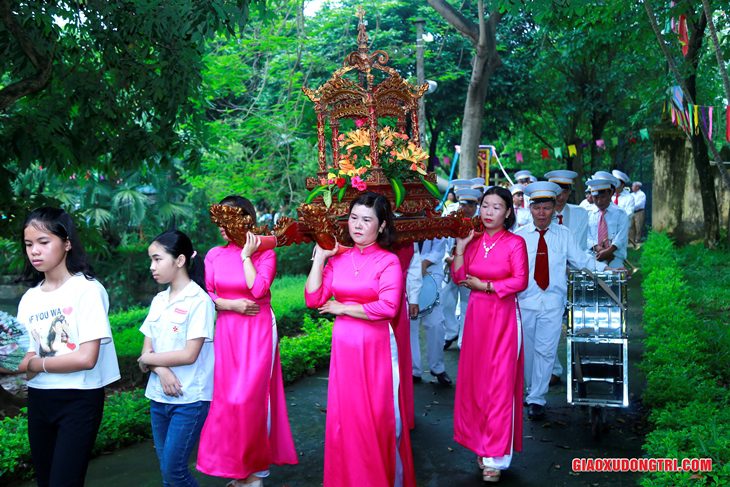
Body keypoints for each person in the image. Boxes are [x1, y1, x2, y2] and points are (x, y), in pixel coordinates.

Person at [305, 192, 416, 487]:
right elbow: (313, 298)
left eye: (366, 220)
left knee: (375, 418)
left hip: (376, 348)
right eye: (354, 218)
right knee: (347, 418)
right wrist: (321, 258)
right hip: (344, 350)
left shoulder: (388, 261)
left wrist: (343, 308)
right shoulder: (340, 259)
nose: (357, 225)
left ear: (382, 226)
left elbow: (388, 307)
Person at [197, 195, 297, 487]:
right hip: (228, 330)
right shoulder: (214, 255)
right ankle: (237, 469)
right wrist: (230, 305)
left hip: (258, 329)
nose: (223, 227)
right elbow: (208, 294)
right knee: (228, 400)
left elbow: (258, 289)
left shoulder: (265, 252)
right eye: (219, 221)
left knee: (250, 398)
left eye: (229, 220)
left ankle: (256, 472)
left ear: (245, 220)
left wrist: (245, 256)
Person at [17, 207, 120, 487]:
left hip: (79, 399)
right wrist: (15, 361)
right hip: (39, 398)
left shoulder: (87, 290)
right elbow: (25, 357)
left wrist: (37, 364)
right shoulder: (29, 298)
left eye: (43, 242)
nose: (34, 251)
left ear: (67, 243)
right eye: (28, 244)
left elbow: (86, 358)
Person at [452, 187, 528, 483]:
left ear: (508, 212)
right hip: (476, 319)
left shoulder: (515, 243)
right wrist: (461, 247)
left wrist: (486, 286)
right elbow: (459, 277)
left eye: (497, 207)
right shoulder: (474, 241)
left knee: (499, 385)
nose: (488, 211)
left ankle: (496, 456)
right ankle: (480, 443)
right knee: (477, 383)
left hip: (504, 318)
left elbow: (520, 280)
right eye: (485, 205)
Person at [514, 183, 606, 421]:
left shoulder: (564, 235)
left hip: (553, 303)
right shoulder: (519, 236)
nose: (542, 213)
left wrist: (606, 270)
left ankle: (537, 398)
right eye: (537, 208)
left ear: (554, 209)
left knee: (546, 351)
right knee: (527, 351)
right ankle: (530, 389)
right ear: (530, 208)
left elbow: (581, 261)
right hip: (525, 302)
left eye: (547, 208)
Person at [137, 230, 216, 487]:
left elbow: (189, 354)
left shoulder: (200, 301)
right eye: (151, 260)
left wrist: (152, 361)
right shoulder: (159, 300)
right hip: (158, 397)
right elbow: (145, 353)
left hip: (189, 399)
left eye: (157, 259)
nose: (152, 266)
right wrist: (161, 370)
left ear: (180, 260)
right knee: (167, 474)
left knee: (174, 472)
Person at [442, 186, 483, 350]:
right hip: (449, 266)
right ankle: (452, 331)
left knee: (466, 306)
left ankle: (463, 341)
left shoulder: (480, 225)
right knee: (444, 301)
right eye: (463, 204)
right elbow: (442, 244)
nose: (465, 208)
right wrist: (447, 258)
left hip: (469, 271)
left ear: (475, 206)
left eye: (470, 205)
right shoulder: (450, 221)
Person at [409, 238, 452, 385]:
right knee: (410, 326)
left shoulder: (435, 221)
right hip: (407, 272)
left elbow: (439, 248)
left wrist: (424, 264)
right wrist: (415, 267)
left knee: (435, 324)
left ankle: (438, 368)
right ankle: (413, 370)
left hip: (432, 272)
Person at [585, 176, 630, 268]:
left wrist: (609, 251)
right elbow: (586, 235)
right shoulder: (587, 213)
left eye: (603, 197)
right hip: (593, 256)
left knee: (616, 275)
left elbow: (621, 236)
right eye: (595, 198)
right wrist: (598, 248)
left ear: (610, 194)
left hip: (615, 257)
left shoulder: (620, 213)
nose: (599, 201)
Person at [630, 181, 646, 247]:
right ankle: (631, 240)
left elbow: (640, 204)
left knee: (638, 226)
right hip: (632, 212)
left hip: (639, 212)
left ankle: (637, 240)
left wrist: (631, 206)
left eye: (633, 186)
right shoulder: (631, 194)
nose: (632, 187)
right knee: (631, 226)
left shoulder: (642, 194)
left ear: (637, 187)